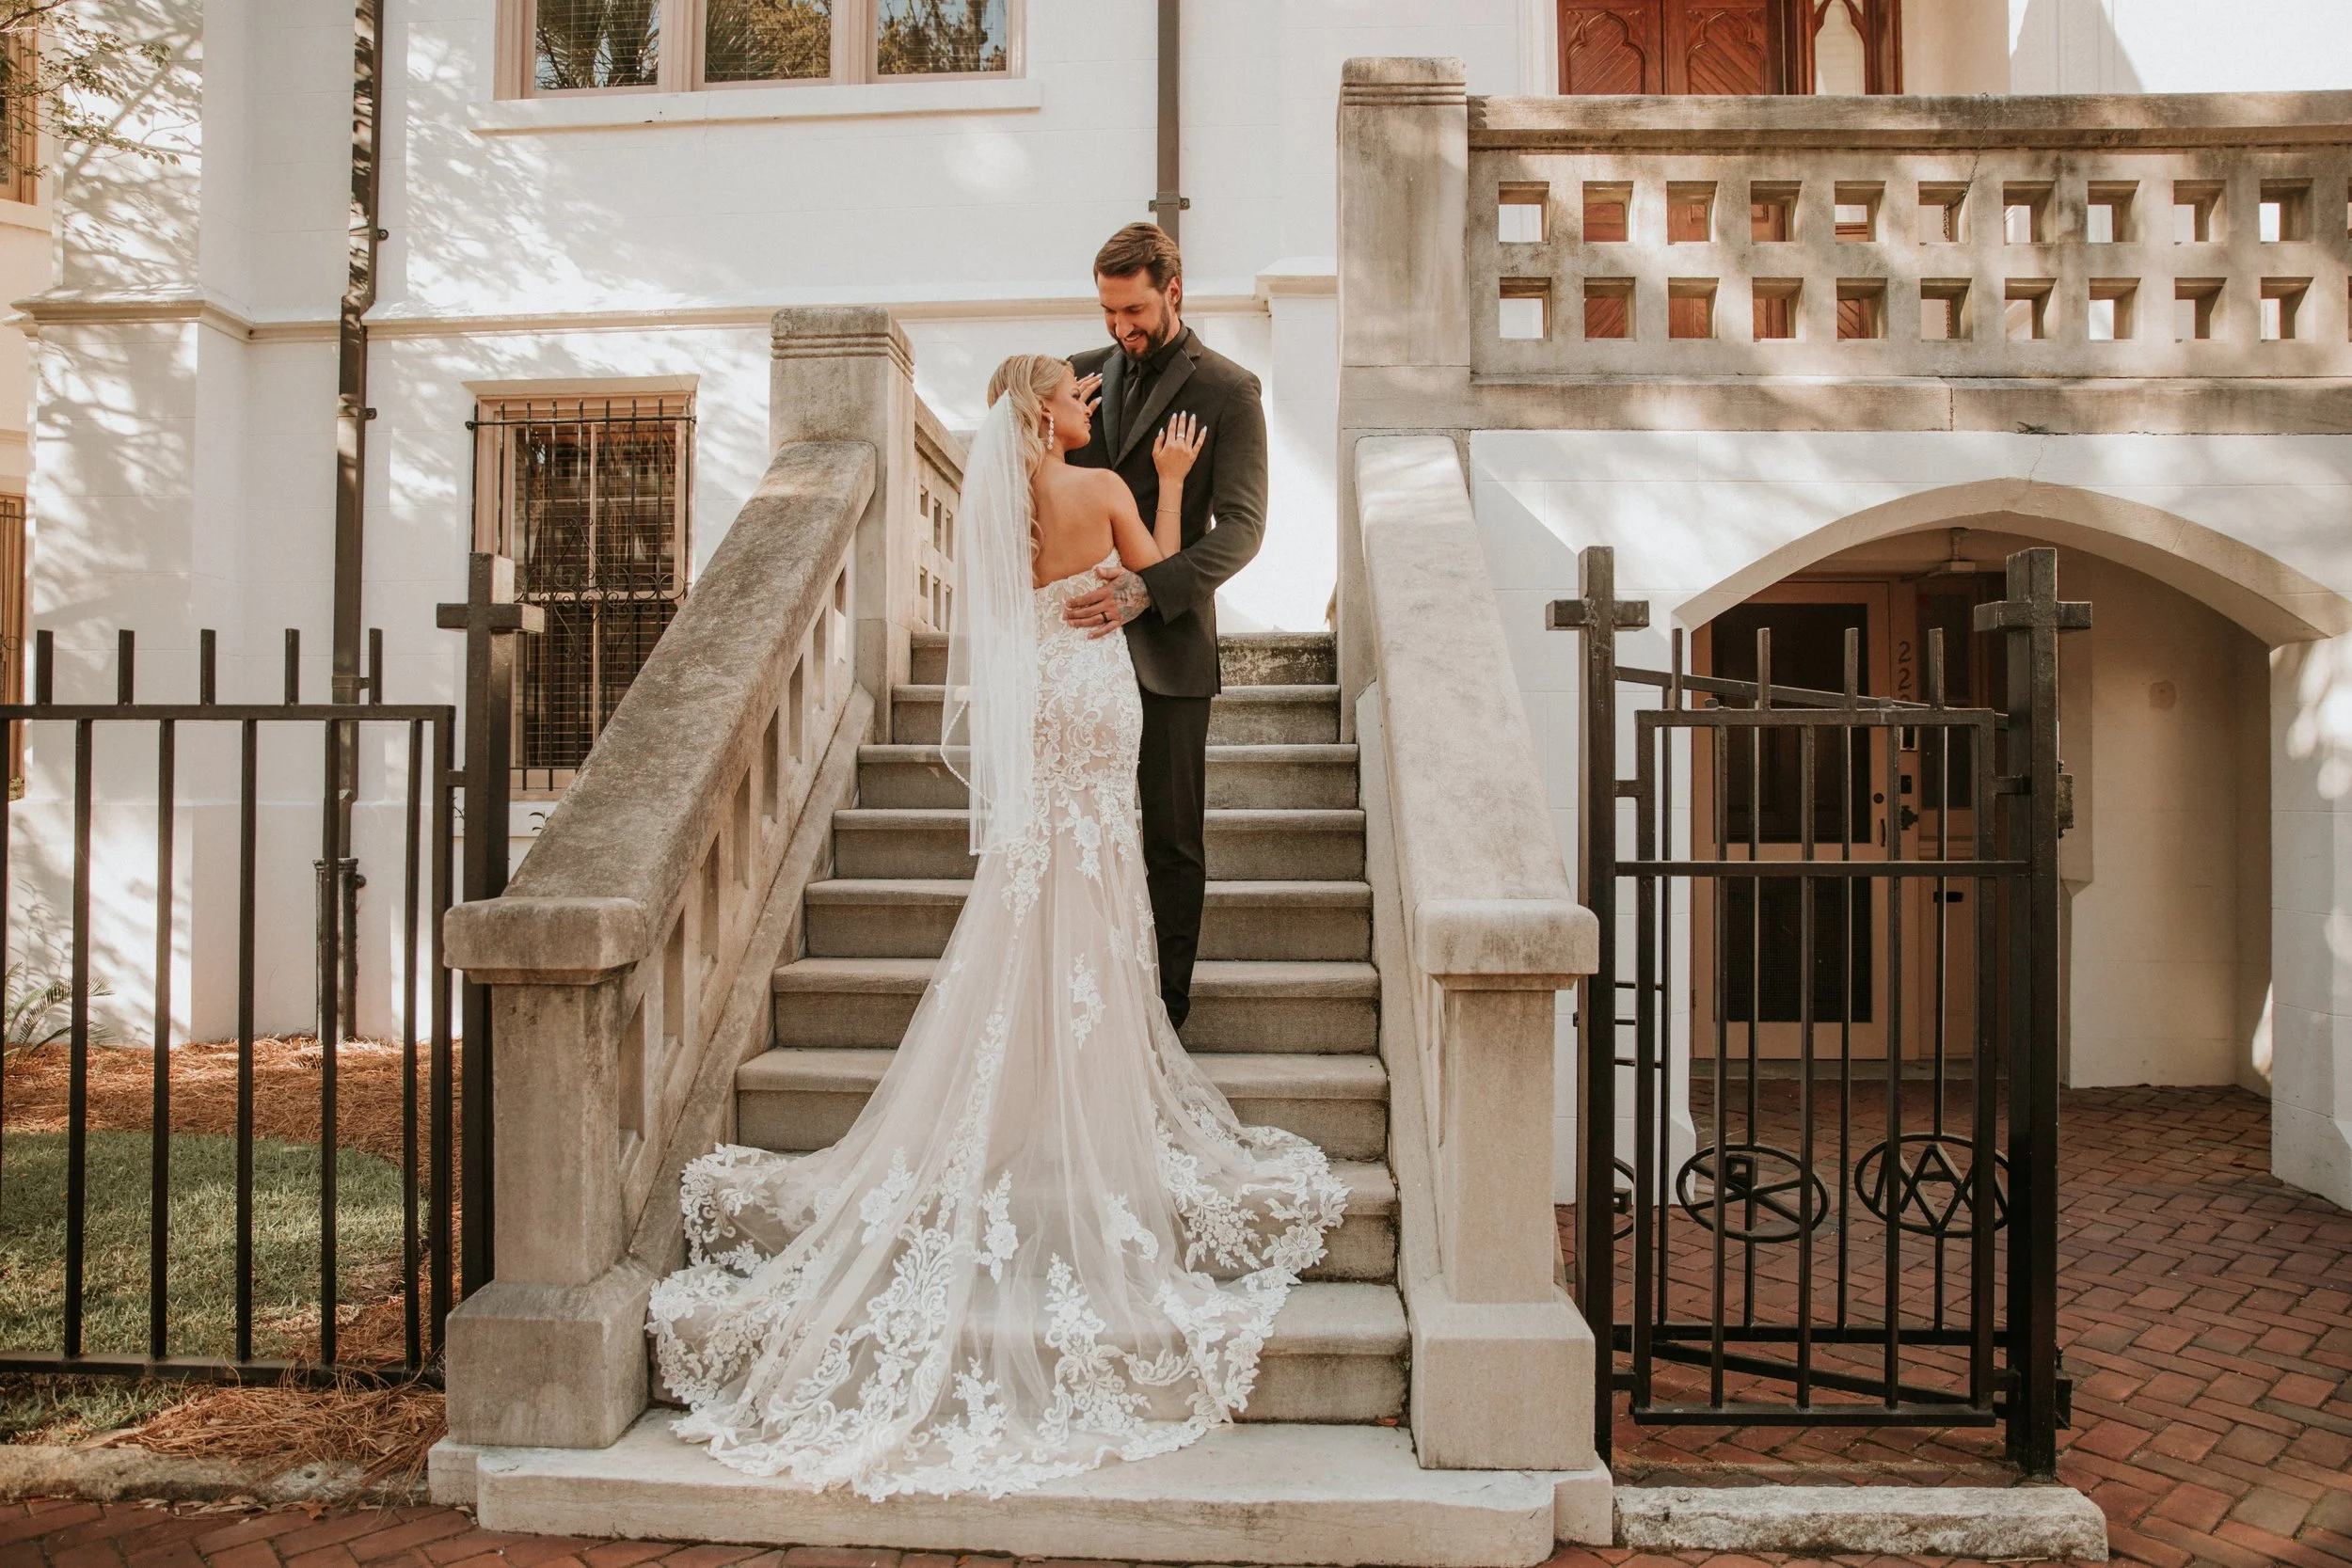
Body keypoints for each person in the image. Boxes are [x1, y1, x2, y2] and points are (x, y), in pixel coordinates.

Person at [644, 354, 1345, 1501]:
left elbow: (1005, 617)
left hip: (1038, 700)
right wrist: (1167, 480)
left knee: (1033, 882)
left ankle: (1017, 1076)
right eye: (1074, 396)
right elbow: (1158, 570)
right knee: (1101, 872)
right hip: (1099, 695)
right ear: (1046, 413)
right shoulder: (1103, 490)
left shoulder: (1002, 507)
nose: (1089, 402)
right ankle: (1084, 1070)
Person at [1062, 223, 1268, 1033]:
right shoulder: (1077, 380)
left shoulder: (1230, 390)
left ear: (1173, 291)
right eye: (1110, 310)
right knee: (1082, 832)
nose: (1120, 327)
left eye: (1135, 309)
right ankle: (1088, 1008)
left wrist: (1150, 591)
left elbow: (1243, 530)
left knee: (1171, 842)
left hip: (1171, 650)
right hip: (1075, 644)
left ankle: (1163, 1018)